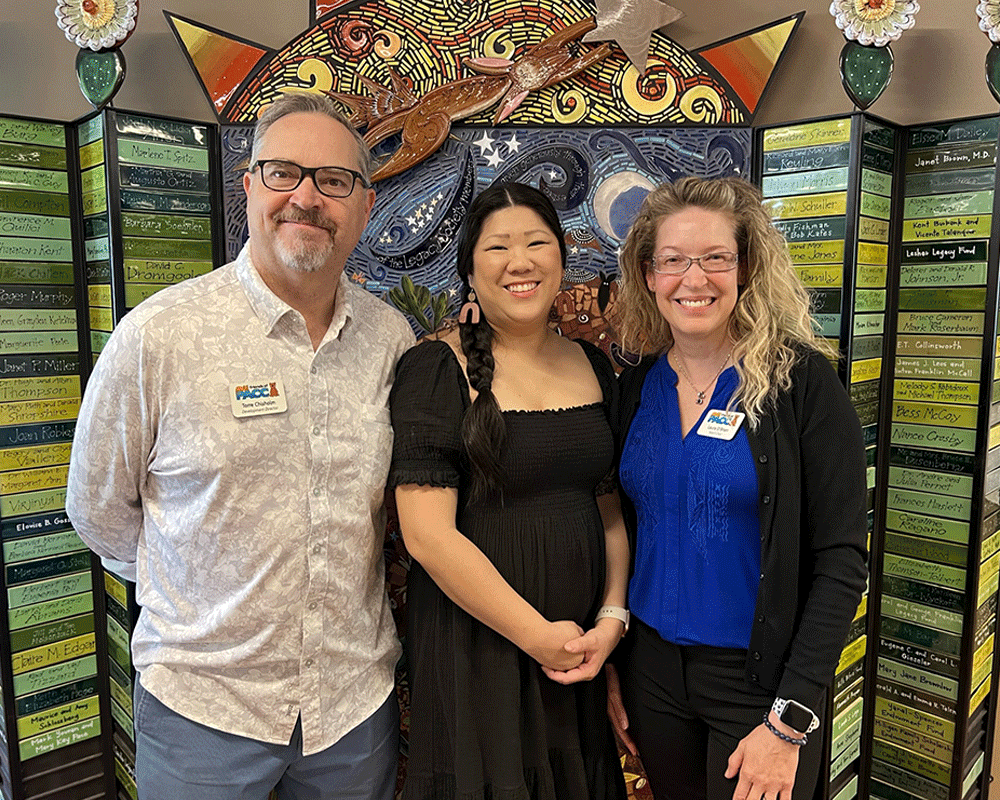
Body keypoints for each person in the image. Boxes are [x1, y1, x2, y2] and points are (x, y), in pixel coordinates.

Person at [66, 92, 414, 800]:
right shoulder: (159, 337)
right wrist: (196, 596)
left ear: (365, 205)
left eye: (334, 180)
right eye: (283, 172)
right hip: (204, 717)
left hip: (351, 715)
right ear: (248, 185)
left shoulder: (392, 341)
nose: (308, 197)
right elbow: (98, 509)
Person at [607, 176, 868, 800]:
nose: (693, 279)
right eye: (672, 261)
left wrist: (790, 719)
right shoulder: (635, 387)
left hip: (758, 688)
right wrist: (616, 667)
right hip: (653, 678)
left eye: (715, 258)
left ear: (746, 266)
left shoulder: (800, 385)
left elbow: (841, 560)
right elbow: (622, 529)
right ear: (648, 274)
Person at [388, 182, 629, 800]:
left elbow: (608, 509)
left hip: (579, 654)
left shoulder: (593, 364)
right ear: (470, 270)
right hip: (478, 652)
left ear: (561, 260)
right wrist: (534, 634)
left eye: (536, 243)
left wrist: (609, 617)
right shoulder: (435, 368)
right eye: (497, 247)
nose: (519, 262)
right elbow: (426, 535)